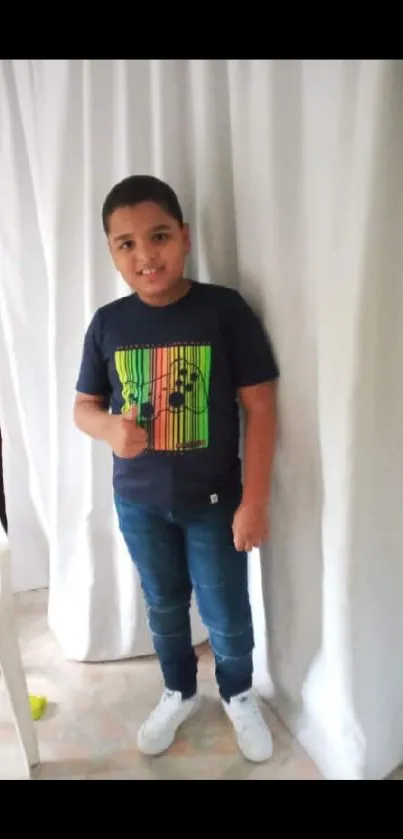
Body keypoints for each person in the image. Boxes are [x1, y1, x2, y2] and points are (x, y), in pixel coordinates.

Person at [74, 174, 279, 763]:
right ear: (113, 253)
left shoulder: (223, 309)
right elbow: (83, 409)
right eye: (127, 244)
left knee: (225, 608)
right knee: (163, 605)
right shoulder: (108, 323)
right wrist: (110, 428)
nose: (146, 255)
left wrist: (255, 499)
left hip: (214, 501)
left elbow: (260, 406)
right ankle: (179, 690)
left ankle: (238, 693)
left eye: (158, 236)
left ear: (185, 238)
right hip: (137, 502)